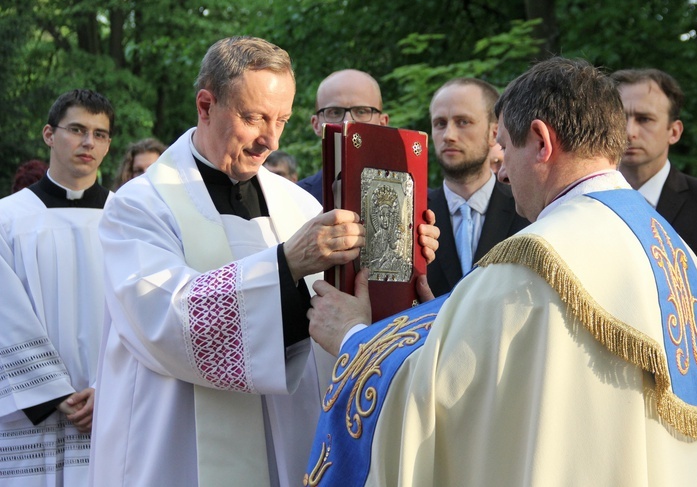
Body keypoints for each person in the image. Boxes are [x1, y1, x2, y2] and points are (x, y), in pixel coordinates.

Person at [304, 58, 697, 486]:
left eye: (506, 149)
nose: (504, 173)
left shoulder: (537, 258)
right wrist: (438, 320)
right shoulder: (667, 243)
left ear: (540, 140)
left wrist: (353, 338)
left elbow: (430, 398)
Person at [89, 36, 438, 487]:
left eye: (282, 120)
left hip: (287, 443)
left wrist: (403, 255)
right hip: (179, 452)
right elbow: (166, 321)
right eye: (254, 118)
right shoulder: (139, 207)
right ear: (205, 105)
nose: (269, 140)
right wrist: (286, 263)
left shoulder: (297, 204)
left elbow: (344, 309)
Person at [0, 89, 114, 485]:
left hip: (113, 405)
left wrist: (108, 388)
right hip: (31, 419)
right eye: (77, 130)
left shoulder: (131, 219)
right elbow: (5, 313)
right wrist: (51, 391)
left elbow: (146, 312)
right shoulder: (7, 219)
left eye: (100, 134)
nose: (88, 142)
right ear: (49, 134)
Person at [612, 68, 697, 363]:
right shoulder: (583, 205)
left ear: (674, 131)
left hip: (688, 388)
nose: (629, 131)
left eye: (644, 119)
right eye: (620, 118)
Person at [427, 77, 528, 296]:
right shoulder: (413, 214)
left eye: (463, 122)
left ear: (494, 133)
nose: (449, 136)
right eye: (440, 124)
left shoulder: (527, 212)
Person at [296, 69, 389, 203]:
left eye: (361, 111)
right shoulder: (294, 199)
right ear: (316, 125)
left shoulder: (413, 199)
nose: (347, 122)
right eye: (334, 112)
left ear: (382, 123)